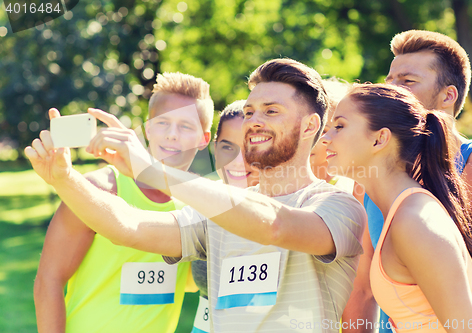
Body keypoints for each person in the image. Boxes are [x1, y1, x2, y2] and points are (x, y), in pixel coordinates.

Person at [26, 58, 367, 333]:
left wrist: (151, 171)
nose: (254, 121)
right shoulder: (215, 214)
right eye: (249, 112)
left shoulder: (337, 207)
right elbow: (128, 227)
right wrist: (65, 178)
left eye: (271, 111)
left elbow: (274, 226)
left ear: (309, 127)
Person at [343, 30, 472, 333]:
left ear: (448, 96)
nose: (392, 90)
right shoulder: (370, 172)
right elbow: (361, 291)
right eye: (390, 81)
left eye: (407, 81)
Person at [33, 72, 214, 333]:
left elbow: (191, 282)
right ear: (148, 129)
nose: (172, 135)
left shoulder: (198, 204)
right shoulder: (98, 188)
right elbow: (48, 280)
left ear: (203, 139)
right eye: (163, 123)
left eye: (186, 126)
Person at [190, 99, 259, 333]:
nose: (239, 161)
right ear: (215, 147)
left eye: (251, 147)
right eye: (228, 147)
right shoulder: (203, 205)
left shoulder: (290, 212)